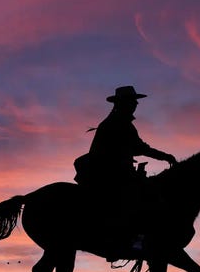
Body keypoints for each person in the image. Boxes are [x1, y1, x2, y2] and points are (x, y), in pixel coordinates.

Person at [74, 85, 176, 256]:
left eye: (135, 101)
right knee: (146, 196)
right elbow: (139, 147)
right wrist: (165, 156)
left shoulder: (117, 121)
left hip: (112, 170)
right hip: (111, 172)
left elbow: (134, 148)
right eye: (132, 101)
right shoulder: (119, 122)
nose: (136, 104)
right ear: (123, 103)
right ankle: (135, 239)